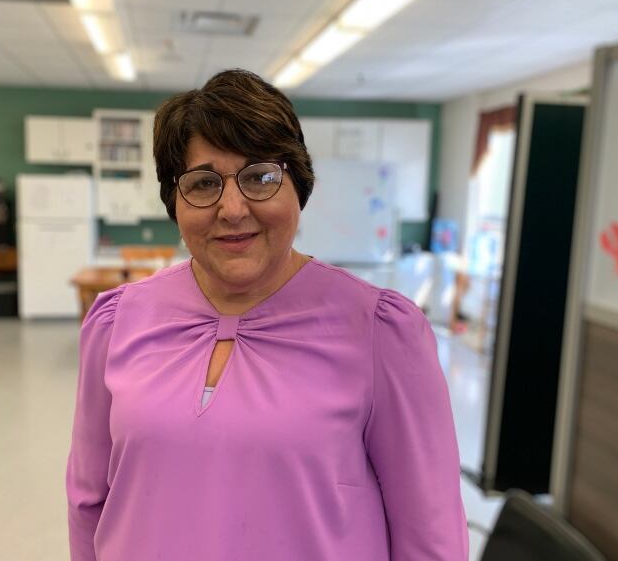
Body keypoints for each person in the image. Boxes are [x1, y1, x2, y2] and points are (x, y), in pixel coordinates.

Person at [66, 69, 468, 561]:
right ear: (174, 198)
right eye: (203, 182)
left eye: (260, 176)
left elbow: (430, 533)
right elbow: (89, 502)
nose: (232, 208)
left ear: (297, 184)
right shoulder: (117, 322)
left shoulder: (380, 331)